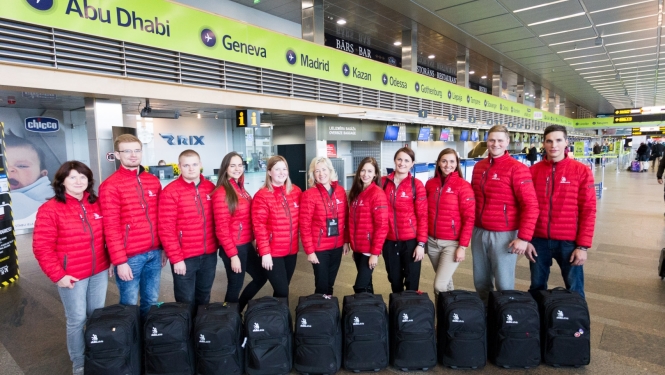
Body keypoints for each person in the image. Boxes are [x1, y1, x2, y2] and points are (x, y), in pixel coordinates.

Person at [32, 161, 110, 375]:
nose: (78, 181)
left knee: (96, 316)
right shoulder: (50, 210)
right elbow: (42, 247)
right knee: (76, 319)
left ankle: (96, 353)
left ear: (89, 181)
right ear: (62, 181)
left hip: (98, 270)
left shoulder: (95, 204)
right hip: (71, 275)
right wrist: (58, 275)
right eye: (73, 177)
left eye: (83, 177)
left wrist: (110, 260)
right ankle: (79, 362)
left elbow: (107, 235)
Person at [470, 125, 539, 303]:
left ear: (507, 142)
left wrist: (523, 238)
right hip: (478, 232)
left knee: (504, 284)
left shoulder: (517, 169)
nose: (496, 144)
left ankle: (504, 321)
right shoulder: (479, 167)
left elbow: (531, 205)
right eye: (492, 140)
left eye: (500, 140)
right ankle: (486, 317)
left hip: (504, 234)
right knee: (481, 282)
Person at [526, 125, 596, 299]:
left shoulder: (581, 171)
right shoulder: (533, 172)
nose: (553, 145)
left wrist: (582, 246)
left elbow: (588, 209)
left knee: (575, 289)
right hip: (538, 241)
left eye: (558, 140)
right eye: (549, 141)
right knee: (537, 288)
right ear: (544, 143)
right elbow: (525, 207)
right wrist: (526, 239)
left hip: (569, 242)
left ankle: (577, 326)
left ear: (566, 142)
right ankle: (539, 324)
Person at [99, 134, 165, 318]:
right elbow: (110, 226)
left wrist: (164, 248)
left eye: (137, 150)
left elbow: (161, 218)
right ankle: (130, 343)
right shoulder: (110, 186)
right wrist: (119, 261)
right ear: (117, 155)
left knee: (151, 301)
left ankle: (148, 341)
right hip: (129, 257)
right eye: (127, 151)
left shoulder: (152, 181)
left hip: (155, 252)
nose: (133, 155)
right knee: (128, 305)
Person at [158, 150, 217, 313]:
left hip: (209, 254)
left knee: (204, 297)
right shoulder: (170, 191)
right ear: (179, 167)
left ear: (200, 165)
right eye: (186, 165)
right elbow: (166, 228)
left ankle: (201, 334)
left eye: (194, 164)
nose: (191, 169)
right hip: (185, 257)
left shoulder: (211, 188)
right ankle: (185, 336)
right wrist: (176, 258)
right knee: (185, 300)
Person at [425, 149, 475, 301]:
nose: (448, 165)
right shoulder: (430, 184)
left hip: (452, 244)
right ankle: (451, 317)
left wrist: (462, 247)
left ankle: (443, 318)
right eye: (444, 161)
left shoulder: (463, 186)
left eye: (452, 161)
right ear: (438, 163)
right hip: (432, 242)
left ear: (457, 164)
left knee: (439, 285)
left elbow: (469, 218)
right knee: (446, 283)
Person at [251, 155, 302, 304]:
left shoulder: (296, 191)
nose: (281, 172)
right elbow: (259, 227)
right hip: (272, 252)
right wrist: (265, 252)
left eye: (284, 169)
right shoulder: (262, 195)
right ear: (269, 172)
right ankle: (281, 322)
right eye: (277, 169)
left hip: (291, 250)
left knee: (283, 288)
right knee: (282, 290)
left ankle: (278, 321)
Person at [213, 152, 257, 309]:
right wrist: (233, 256)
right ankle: (229, 319)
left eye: (240, 165)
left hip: (245, 244)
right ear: (225, 168)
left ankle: (237, 310)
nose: (237, 168)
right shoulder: (221, 193)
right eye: (233, 165)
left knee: (260, 276)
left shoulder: (240, 188)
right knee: (235, 285)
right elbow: (221, 229)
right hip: (234, 247)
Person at [380, 147, 427, 292]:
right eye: (399, 159)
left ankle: (411, 312)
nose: (402, 163)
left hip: (411, 241)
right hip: (389, 240)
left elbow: (423, 216)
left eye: (407, 160)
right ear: (394, 160)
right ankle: (399, 312)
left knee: (412, 281)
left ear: (412, 163)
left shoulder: (416, 185)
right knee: (395, 280)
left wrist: (421, 244)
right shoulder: (382, 183)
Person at [300, 157, 349, 295]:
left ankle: (328, 313)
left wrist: (346, 241)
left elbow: (345, 218)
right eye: (317, 171)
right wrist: (309, 251)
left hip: (337, 246)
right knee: (321, 285)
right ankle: (320, 312)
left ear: (330, 170)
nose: (321, 174)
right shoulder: (309, 195)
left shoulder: (340, 191)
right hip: (319, 248)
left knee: (330, 284)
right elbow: (304, 225)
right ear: (313, 174)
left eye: (324, 169)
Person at [347, 157, 389, 293]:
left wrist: (375, 253)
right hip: (358, 248)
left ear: (375, 174)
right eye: (363, 170)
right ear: (359, 172)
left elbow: (382, 226)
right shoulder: (356, 193)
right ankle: (371, 312)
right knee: (366, 285)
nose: (366, 174)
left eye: (370, 171)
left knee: (360, 286)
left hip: (369, 249)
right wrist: (352, 245)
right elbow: (352, 221)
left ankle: (364, 311)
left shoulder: (377, 194)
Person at [5, 134, 53, 220]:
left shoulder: (47, 196)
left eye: (22, 166)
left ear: (42, 175)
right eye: (3, 166)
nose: (10, 170)